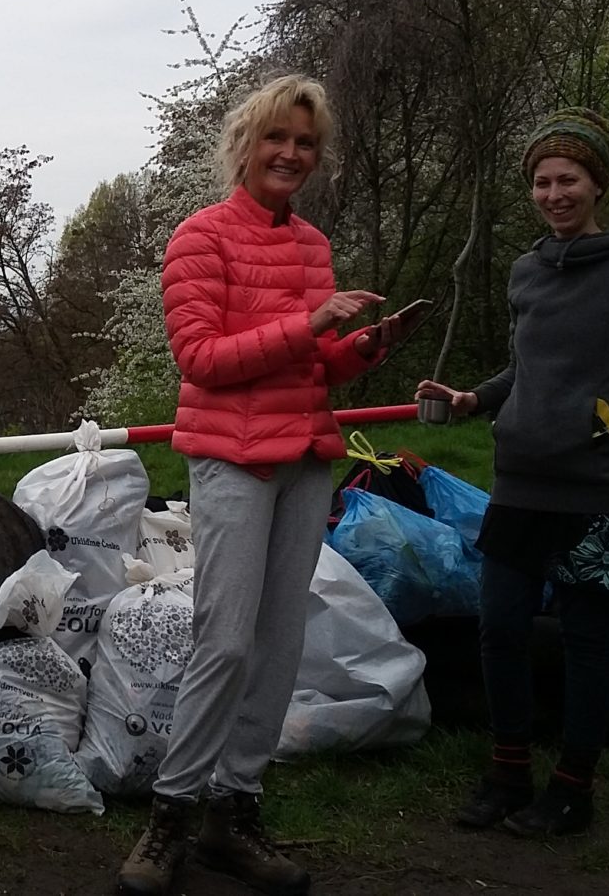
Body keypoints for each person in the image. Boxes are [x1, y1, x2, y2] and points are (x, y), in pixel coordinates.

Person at [119, 74, 415, 896]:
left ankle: (234, 813)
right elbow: (200, 360)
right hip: (232, 460)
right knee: (225, 641)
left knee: (281, 641)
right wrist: (308, 324)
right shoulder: (199, 237)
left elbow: (312, 365)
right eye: (277, 138)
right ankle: (170, 816)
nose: (291, 153)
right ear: (245, 145)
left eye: (306, 143)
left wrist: (363, 348)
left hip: (304, 458)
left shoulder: (313, 245)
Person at [416, 107, 609, 838]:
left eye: (567, 179)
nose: (553, 194)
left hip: (597, 488)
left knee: (585, 636)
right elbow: (526, 367)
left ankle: (574, 788)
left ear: (596, 183)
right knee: (500, 627)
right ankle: (509, 771)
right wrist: (475, 398)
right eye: (541, 182)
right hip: (521, 483)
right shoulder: (527, 269)